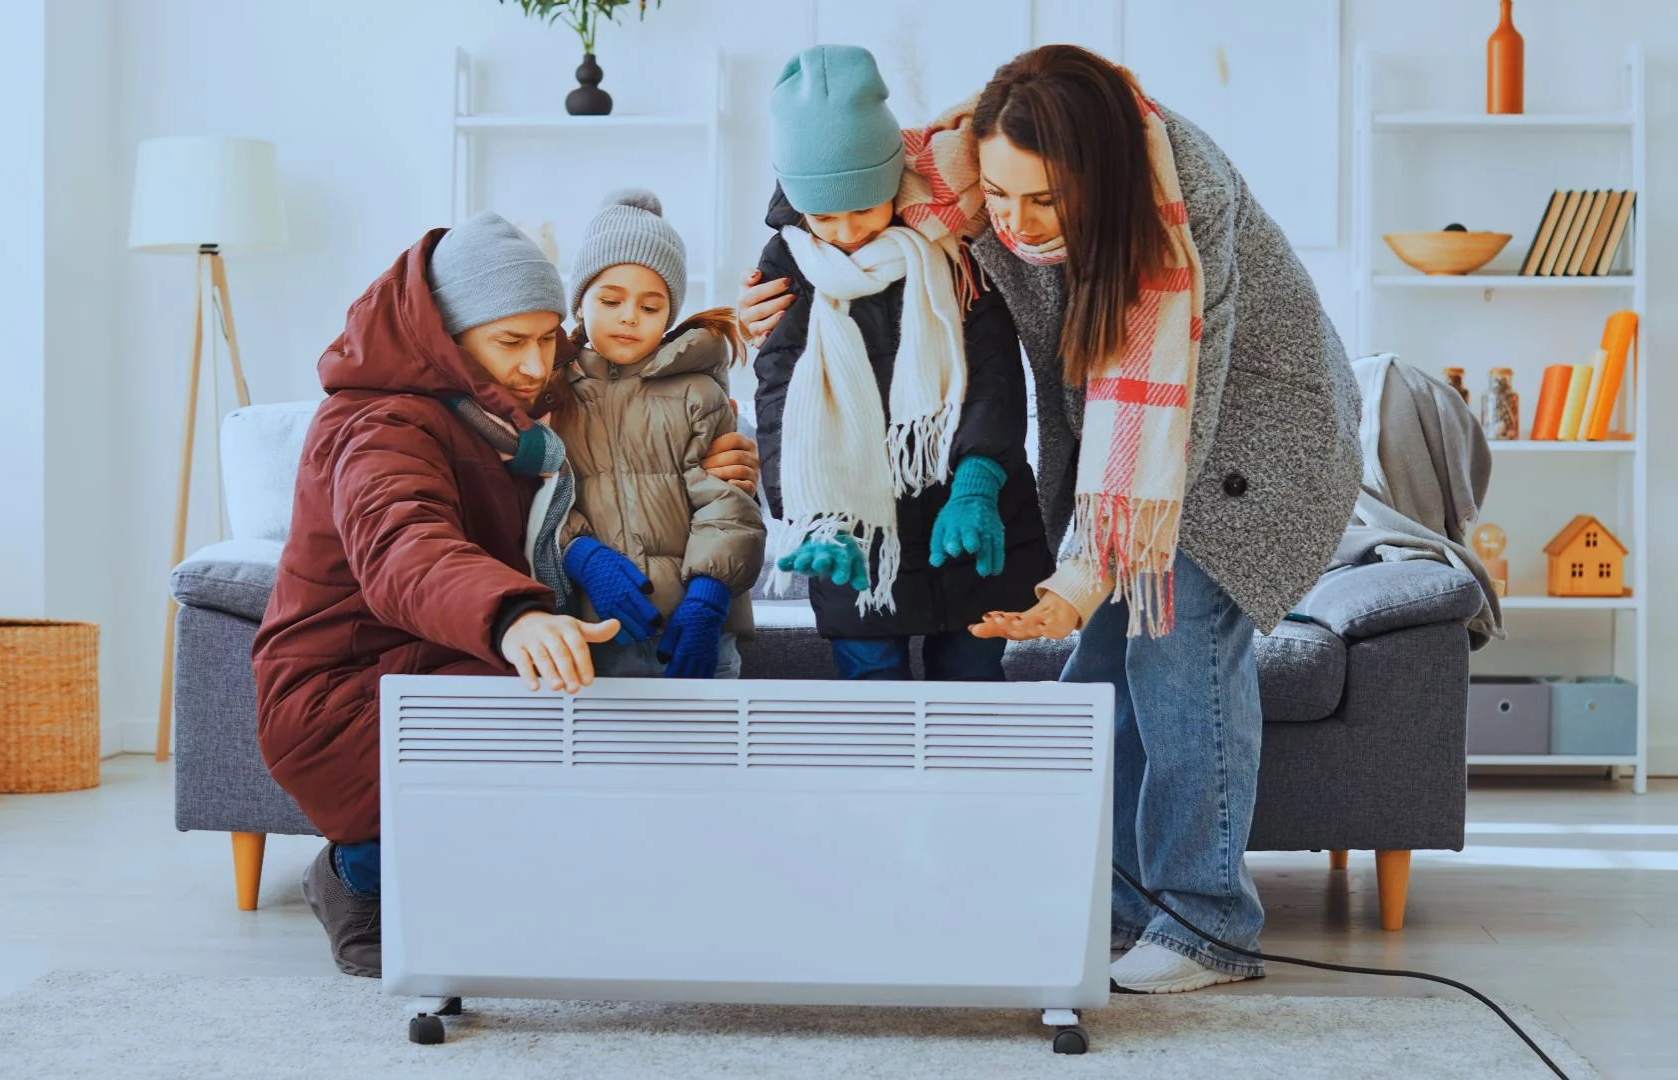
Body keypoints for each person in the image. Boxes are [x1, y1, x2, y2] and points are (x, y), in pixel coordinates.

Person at [739, 45, 1362, 992]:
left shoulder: (1180, 205)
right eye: (998, 194)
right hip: (1132, 445)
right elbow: (835, 181)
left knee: (1174, 642)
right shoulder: (963, 172)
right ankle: (1114, 902)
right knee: (1101, 671)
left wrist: (1079, 581)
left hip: (1245, 433)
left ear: (1099, 179)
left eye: (1044, 202)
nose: (1016, 226)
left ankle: (1209, 925)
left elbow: (1167, 411)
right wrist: (773, 279)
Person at [253, 211, 754, 979]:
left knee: (601, 719)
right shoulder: (379, 423)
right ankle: (357, 871)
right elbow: (403, 543)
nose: (533, 364)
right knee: (560, 731)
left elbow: (615, 412)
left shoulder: (493, 411)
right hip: (345, 692)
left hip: (434, 657)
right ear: (447, 337)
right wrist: (513, 616)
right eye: (510, 343)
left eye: (547, 338)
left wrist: (720, 458)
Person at [753, 44, 1050, 682]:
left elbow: (994, 368)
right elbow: (780, 393)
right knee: (872, 703)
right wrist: (811, 515)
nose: (846, 231)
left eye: (864, 206)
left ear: (892, 181)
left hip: (963, 509)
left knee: (972, 695)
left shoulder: (953, 245)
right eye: (824, 215)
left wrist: (980, 481)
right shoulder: (788, 267)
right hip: (856, 529)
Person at [553, 188, 765, 679]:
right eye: (611, 299)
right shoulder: (551, 393)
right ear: (581, 304)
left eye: (651, 307)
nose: (629, 316)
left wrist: (709, 600)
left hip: (698, 629)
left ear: (669, 316)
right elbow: (537, 498)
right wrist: (580, 554)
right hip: (597, 630)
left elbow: (728, 503)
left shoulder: (696, 392)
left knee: (707, 753)